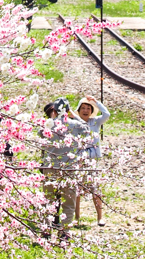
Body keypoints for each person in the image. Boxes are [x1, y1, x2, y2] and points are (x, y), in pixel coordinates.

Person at [41, 99, 85, 240]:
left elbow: (39, 135)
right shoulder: (75, 125)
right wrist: (74, 115)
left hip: (51, 167)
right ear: (67, 111)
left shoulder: (47, 126)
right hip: (69, 169)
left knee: (49, 200)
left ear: (54, 111)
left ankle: (46, 230)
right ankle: (65, 232)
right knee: (69, 202)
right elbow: (87, 128)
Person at [74, 96, 110, 226]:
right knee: (77, 188)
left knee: (95, 188)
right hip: (79, 159)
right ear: (78, 110)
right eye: (83, 108)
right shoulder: (75, 123)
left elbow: (107, 114)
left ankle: (100, 217)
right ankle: (76, 217)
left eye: (88, 108)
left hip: (92, 159)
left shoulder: (95, 121)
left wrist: (97, 102)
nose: (85, 110)